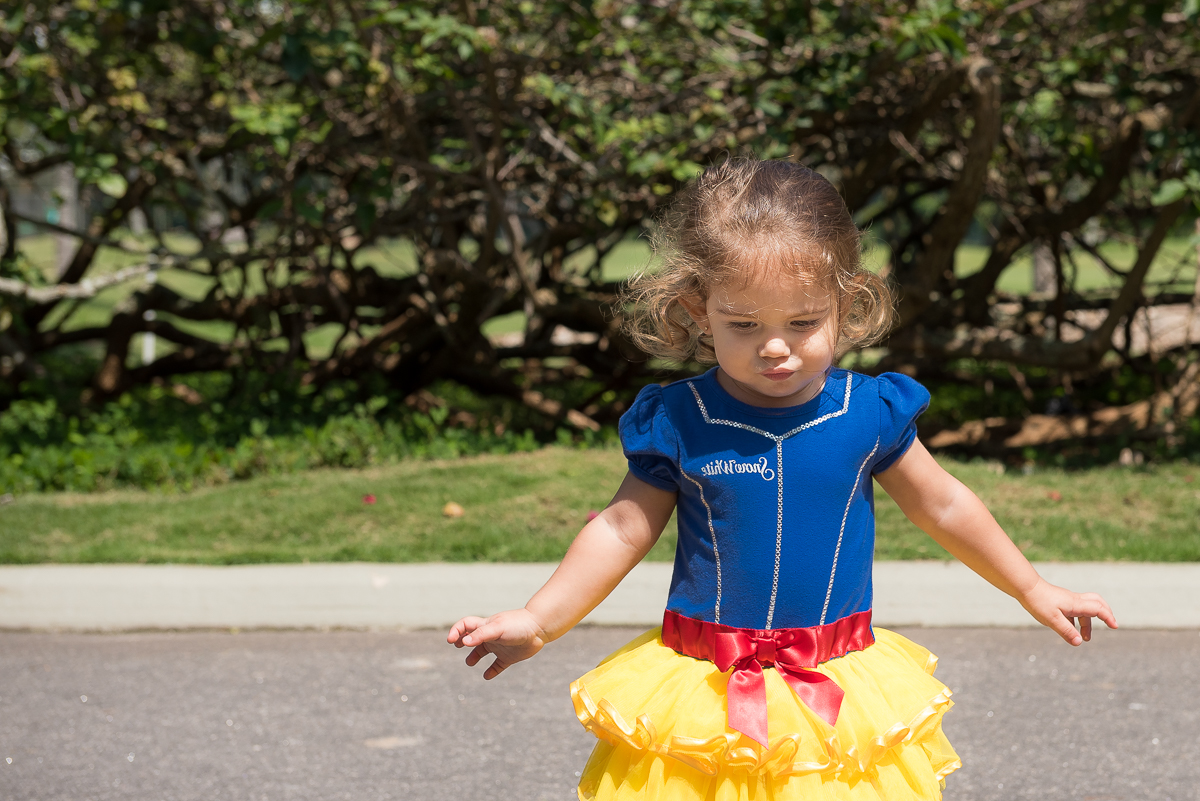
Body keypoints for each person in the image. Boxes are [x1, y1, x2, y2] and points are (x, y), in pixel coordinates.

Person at [447, 159, 1117, 800]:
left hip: (834, 681)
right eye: (744, 325)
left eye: (803, 322)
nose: (776, 346)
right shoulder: (681, 418)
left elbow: (942, 502)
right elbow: (622, 528)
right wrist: (539, 618)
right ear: (696, 308)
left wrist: (1031, 584)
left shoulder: (868, 414)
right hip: (705, 686)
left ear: (844, 302)